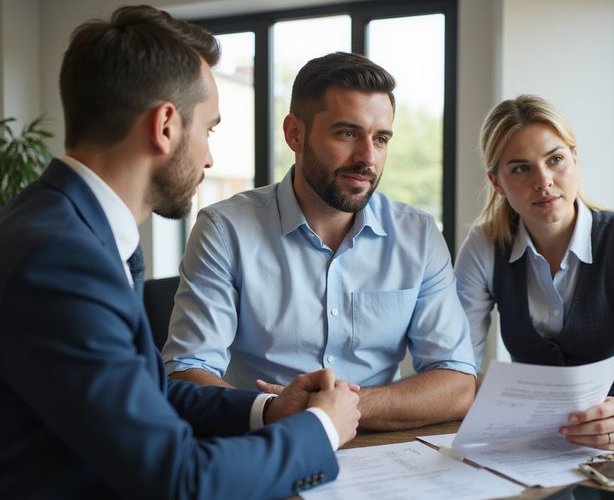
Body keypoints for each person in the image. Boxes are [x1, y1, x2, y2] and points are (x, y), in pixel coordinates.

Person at [0, 6, 360, 499]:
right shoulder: (61, 257)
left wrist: (269, 411)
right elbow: (178, 480)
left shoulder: (70, 225)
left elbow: (147, 392)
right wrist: (322, 429)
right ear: (166, 125)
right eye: (208, 129)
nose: (209, 157)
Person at [162, 51, 476, 431]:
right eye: (347, 133)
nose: (368, 158)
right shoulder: (225, 229)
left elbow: (457, 384)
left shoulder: (418, 235)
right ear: (295, 133)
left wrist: (334, 408)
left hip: (379, 454)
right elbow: (186, 371)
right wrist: (273, 410)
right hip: (267, 444)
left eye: (381, 139)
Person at [454, 94, 614, 449]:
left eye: (555, 160)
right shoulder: (485, 246)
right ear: (497, 183)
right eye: (520, 168)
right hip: (539, 428)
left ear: (575, 158)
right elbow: (459, 364)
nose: (544, 181)